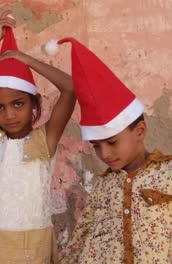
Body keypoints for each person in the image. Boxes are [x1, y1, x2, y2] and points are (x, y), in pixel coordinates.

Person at [0, 11, 76, 263]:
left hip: (32, 251)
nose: (9, 114)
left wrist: (25, 59)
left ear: (33, 103)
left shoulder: (45, 140)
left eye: (18, 103)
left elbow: (70, 88)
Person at [46, 37, 172, 264]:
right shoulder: (104, 187)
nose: (104, 154)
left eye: (112, 142)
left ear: (140, 131)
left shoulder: (168, 174)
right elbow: (81, 241)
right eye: (96, 146)